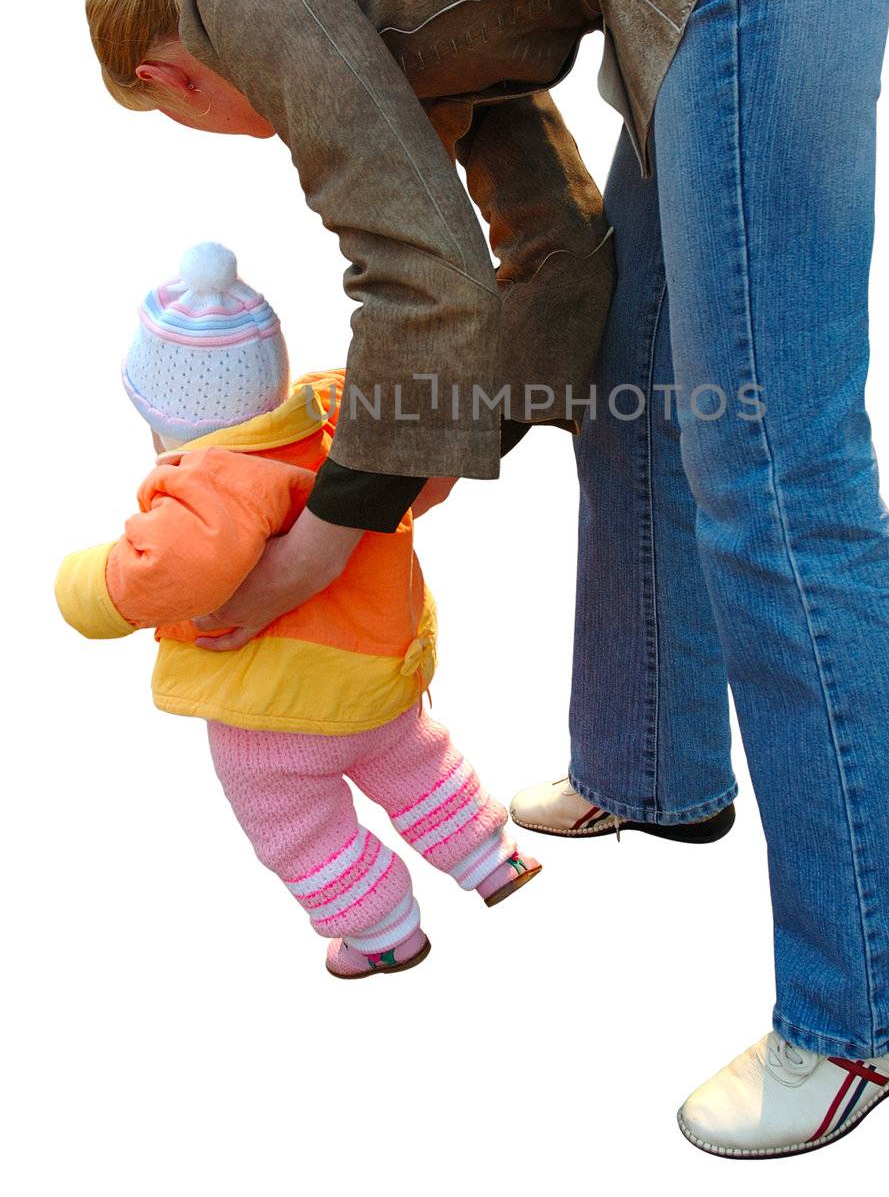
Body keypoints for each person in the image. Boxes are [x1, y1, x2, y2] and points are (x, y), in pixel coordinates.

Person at [82, 0, 889, 1155]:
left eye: (207, 124)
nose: (254, 137)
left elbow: (411, 269)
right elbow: (556, 248)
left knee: (774, 452)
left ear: (166, 74)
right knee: (644, 365)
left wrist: (323, 540)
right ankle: (653, 768)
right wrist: (428, 463)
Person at [54, 242, 540, 980]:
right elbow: (423, 462)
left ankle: (382, 928)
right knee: (414, 757)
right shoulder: (335, 410)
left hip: (276, 715)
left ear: (162, 419)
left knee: (290, 819)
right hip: (379, 673)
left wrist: (81, 584)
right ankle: (487, 855)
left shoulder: (207, 486)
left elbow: (167, 570)